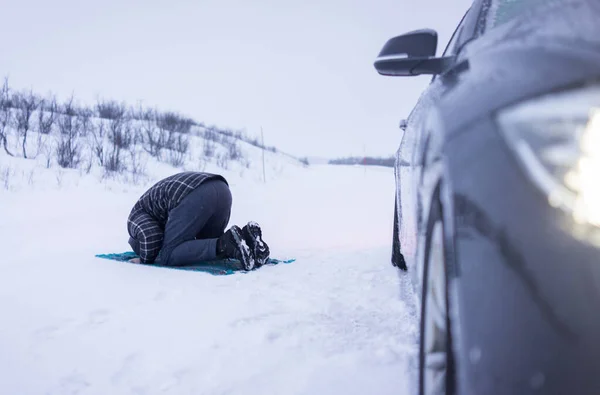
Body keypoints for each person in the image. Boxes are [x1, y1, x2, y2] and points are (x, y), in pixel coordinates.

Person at [126, 171, 269, 271]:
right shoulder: (154, 211)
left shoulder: (135, 218)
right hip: (221, 189)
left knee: (168, 256)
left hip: (195, 195)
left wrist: (145, 259)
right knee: (209, 246)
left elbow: (150, 237)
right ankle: (248, 239)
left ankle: (226, 243)